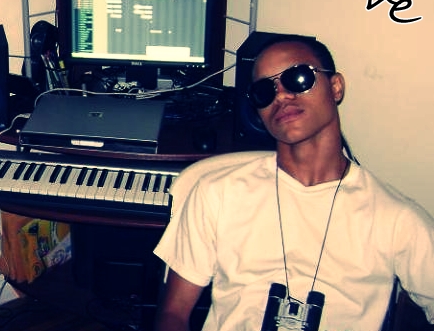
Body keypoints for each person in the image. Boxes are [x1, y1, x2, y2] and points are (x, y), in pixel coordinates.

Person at [154, 34, 434, 331]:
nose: (281, 96)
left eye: (297, 78)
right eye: (264, 91)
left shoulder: (397, 219)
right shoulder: (217, 193)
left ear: (336, 87)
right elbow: (173, 314)